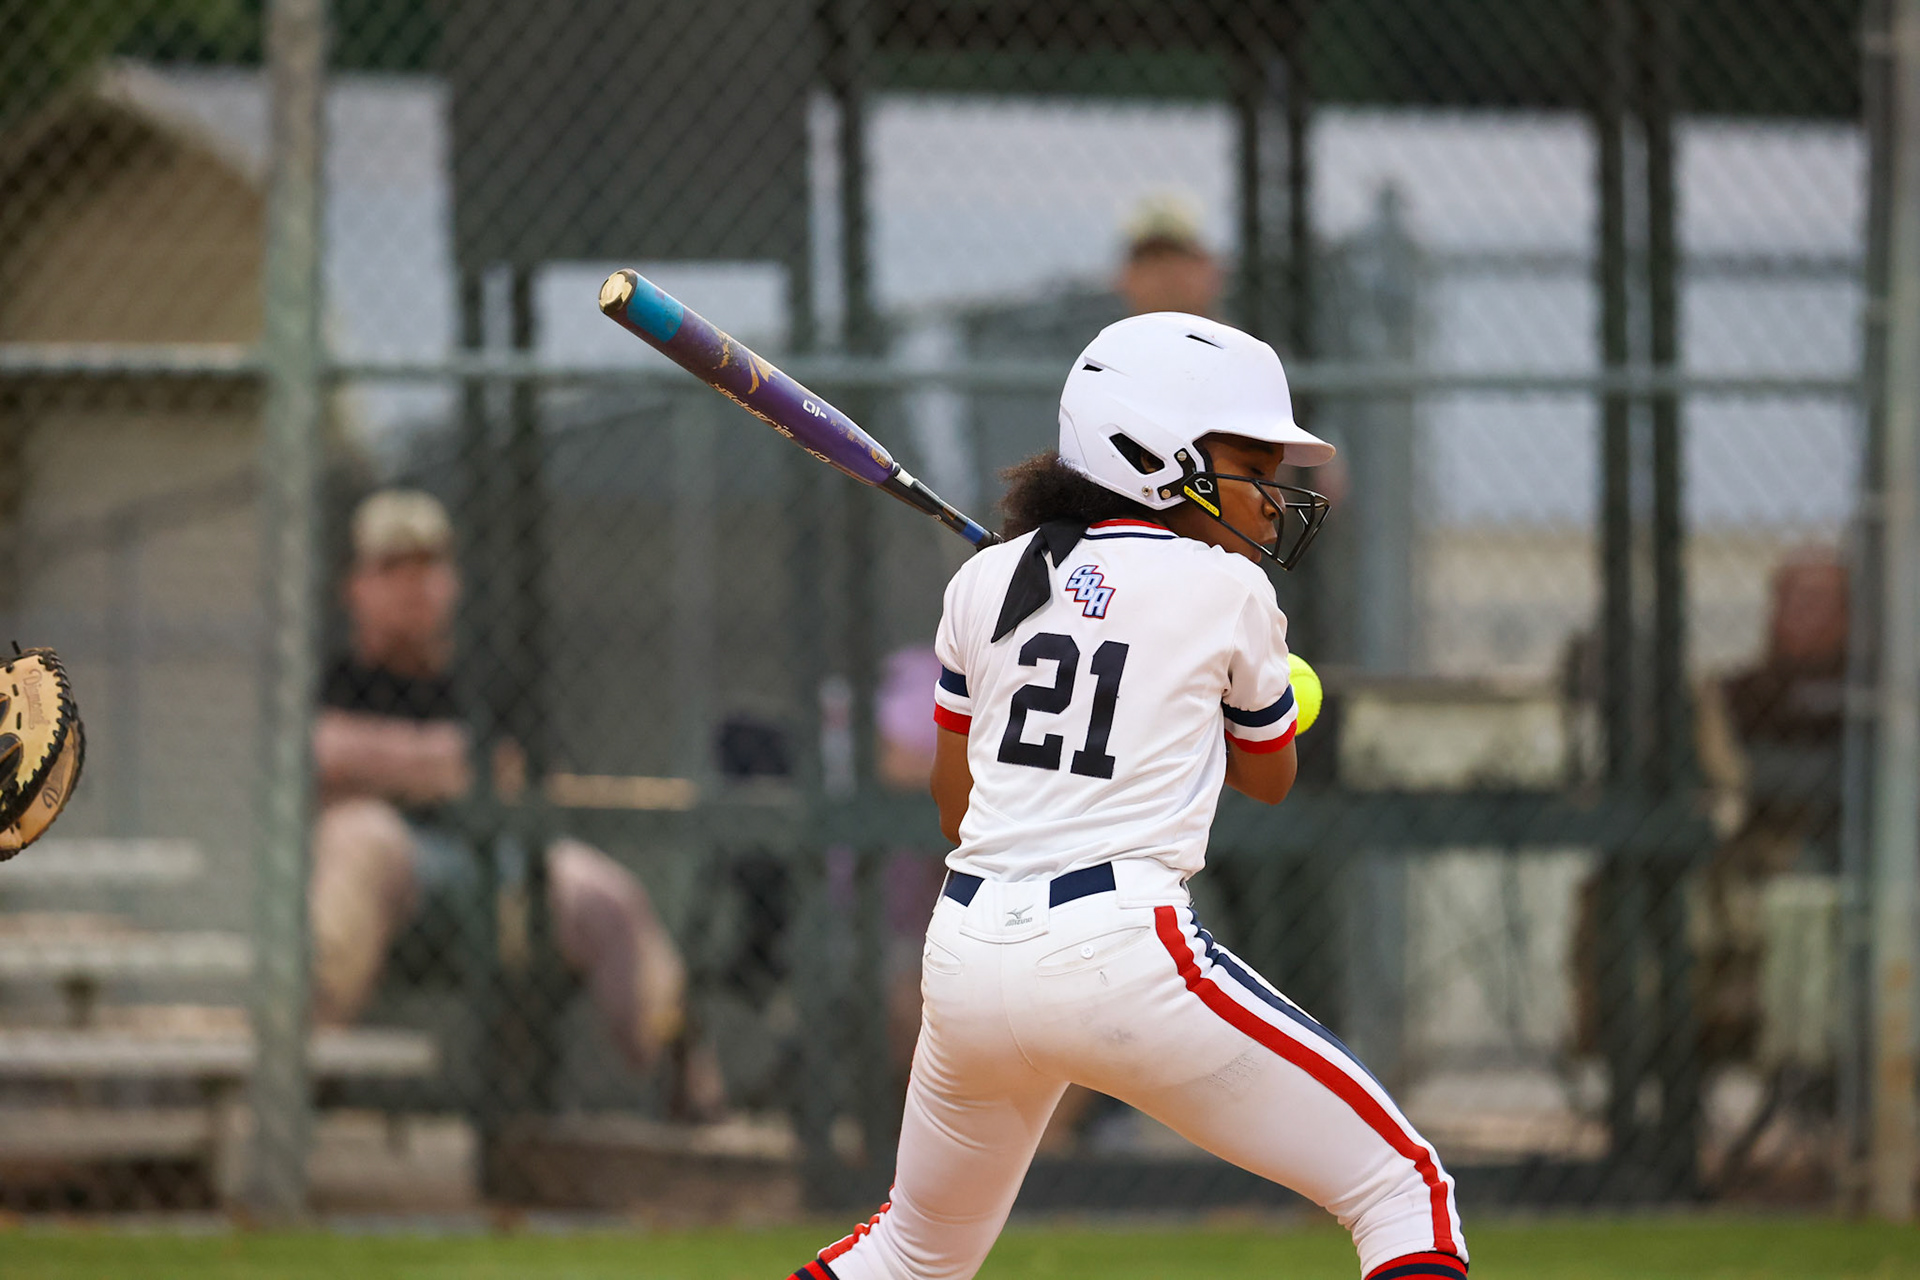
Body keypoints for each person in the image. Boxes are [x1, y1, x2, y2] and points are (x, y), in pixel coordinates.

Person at [784, 313, 1464, 1280]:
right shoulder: (1230, 591)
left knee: (911, 1253)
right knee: (1404, 1192)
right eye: (1252, 460)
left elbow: (954, 807)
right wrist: (1260, 695)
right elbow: (1269, 779)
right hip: (1122, 949)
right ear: (1155, 453)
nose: (1274, 496)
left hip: (969, 955)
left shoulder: (984, 583)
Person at [308, 489, 702, 1089]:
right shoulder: (331, 675)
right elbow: (321, 757)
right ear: (355, 587)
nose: (414, 585)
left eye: (429, 567)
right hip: (391, 882)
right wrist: (444, 761)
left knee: (605, 893)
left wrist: (381, 760)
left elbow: (514, 776)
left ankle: (695, 1098)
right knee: (366, 835)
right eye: (392, 569)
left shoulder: (485, 676)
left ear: (453, 582)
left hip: (492, 878)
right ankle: (296, 1083)